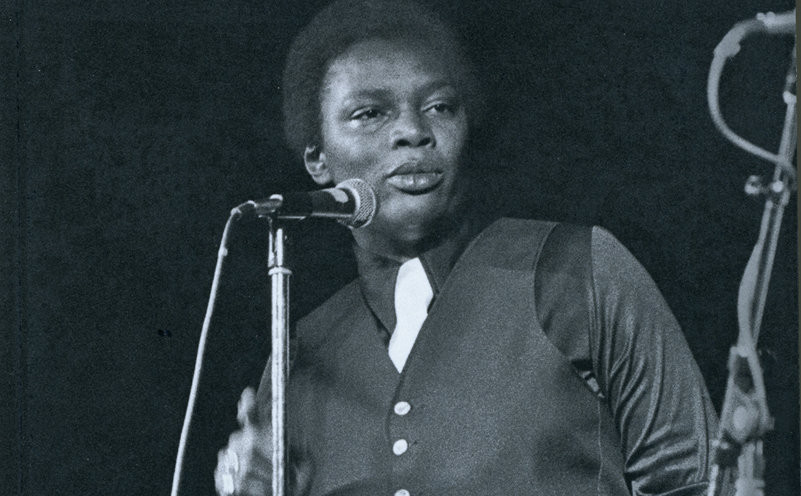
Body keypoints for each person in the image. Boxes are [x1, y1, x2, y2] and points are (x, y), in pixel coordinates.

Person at [215, 1, 722, 495]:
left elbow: (697, 482)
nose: (413, 132)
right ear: (318, 159)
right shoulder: (302, 356)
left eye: (440, 107)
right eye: (370, 113)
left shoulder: (577, 271)